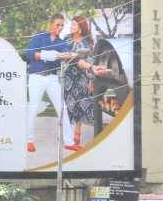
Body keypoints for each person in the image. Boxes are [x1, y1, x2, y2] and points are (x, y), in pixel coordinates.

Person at [24, 13, 74, 154]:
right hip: (36, 77)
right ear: (51, 24)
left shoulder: (62, 42)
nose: (60, 27)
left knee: (62, 107)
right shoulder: (39, 37)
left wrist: (65, 55)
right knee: (33, 109)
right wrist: (50, 55)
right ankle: (29, 140)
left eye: (62, 25)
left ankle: (69, 142)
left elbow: (66, 55)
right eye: (57, 24)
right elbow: (29, 53)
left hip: (52, 78)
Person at [62, 16, 109, 152]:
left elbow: (90, 61)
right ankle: (70, 136)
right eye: (71, 24)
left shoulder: (87, 42)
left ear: (81, 27)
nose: (71, 27)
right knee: (69, 105)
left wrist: (91, 79)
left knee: (80, 105)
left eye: (74, 25)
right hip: (68, 76)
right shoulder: (66, 39)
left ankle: (77, 136)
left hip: (82, 76)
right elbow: (63, 56)